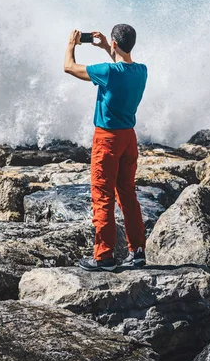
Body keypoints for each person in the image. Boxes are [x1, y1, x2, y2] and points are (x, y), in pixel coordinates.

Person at [63, 25, 147, 271]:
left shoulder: (108, 72)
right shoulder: (141, 71)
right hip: (129, 139)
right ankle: (137, 251)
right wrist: (105, 47)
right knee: (128, 195)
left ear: (114, 43)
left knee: (103, 196)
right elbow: (124, 66)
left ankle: (104, 256)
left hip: (107, 140)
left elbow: (69, 67)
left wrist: (71, 43)